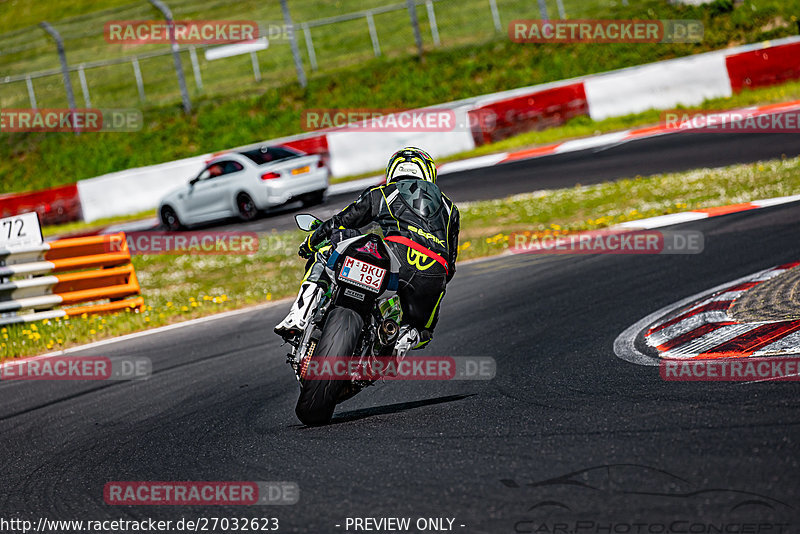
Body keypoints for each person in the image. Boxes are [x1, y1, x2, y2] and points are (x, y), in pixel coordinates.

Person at [274, 147, 460, 350]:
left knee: (323, 253)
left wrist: (309, 242)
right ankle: (397, 344)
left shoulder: (382, 193)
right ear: (428, 173)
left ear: (393, 171)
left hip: (398, 255)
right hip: (435, 273)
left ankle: (298, 316)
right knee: (423, 332)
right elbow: (450, 265)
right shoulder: (451, 209)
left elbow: (340, 222)